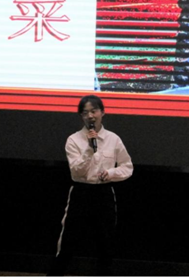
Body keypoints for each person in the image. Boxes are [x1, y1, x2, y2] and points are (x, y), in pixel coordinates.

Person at [48, 95, 133, 276]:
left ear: (102, 112)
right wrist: (88, 148)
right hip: (81, 192)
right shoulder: (73, 140)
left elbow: (127, 166)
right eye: (85, 113)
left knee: (105, 241)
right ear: (81, 116)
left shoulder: (113, 139)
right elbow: (75, 171)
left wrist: (111, 173)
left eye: (94, 111)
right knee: (68, 239)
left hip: (103, 192)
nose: (90, 116)